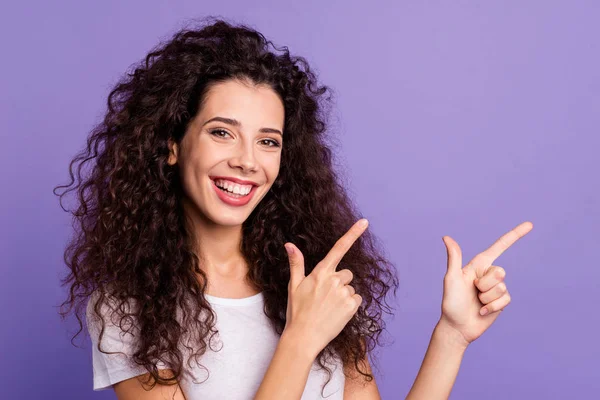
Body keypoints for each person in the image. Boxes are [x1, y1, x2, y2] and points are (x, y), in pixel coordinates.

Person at [55, 16, 533, 400]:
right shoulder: (129, 306)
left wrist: (451, 335)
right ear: (173, 145)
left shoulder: (318, 281)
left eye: (268, 141)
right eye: (222, 132)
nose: (246, 161)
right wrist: (301, 339)